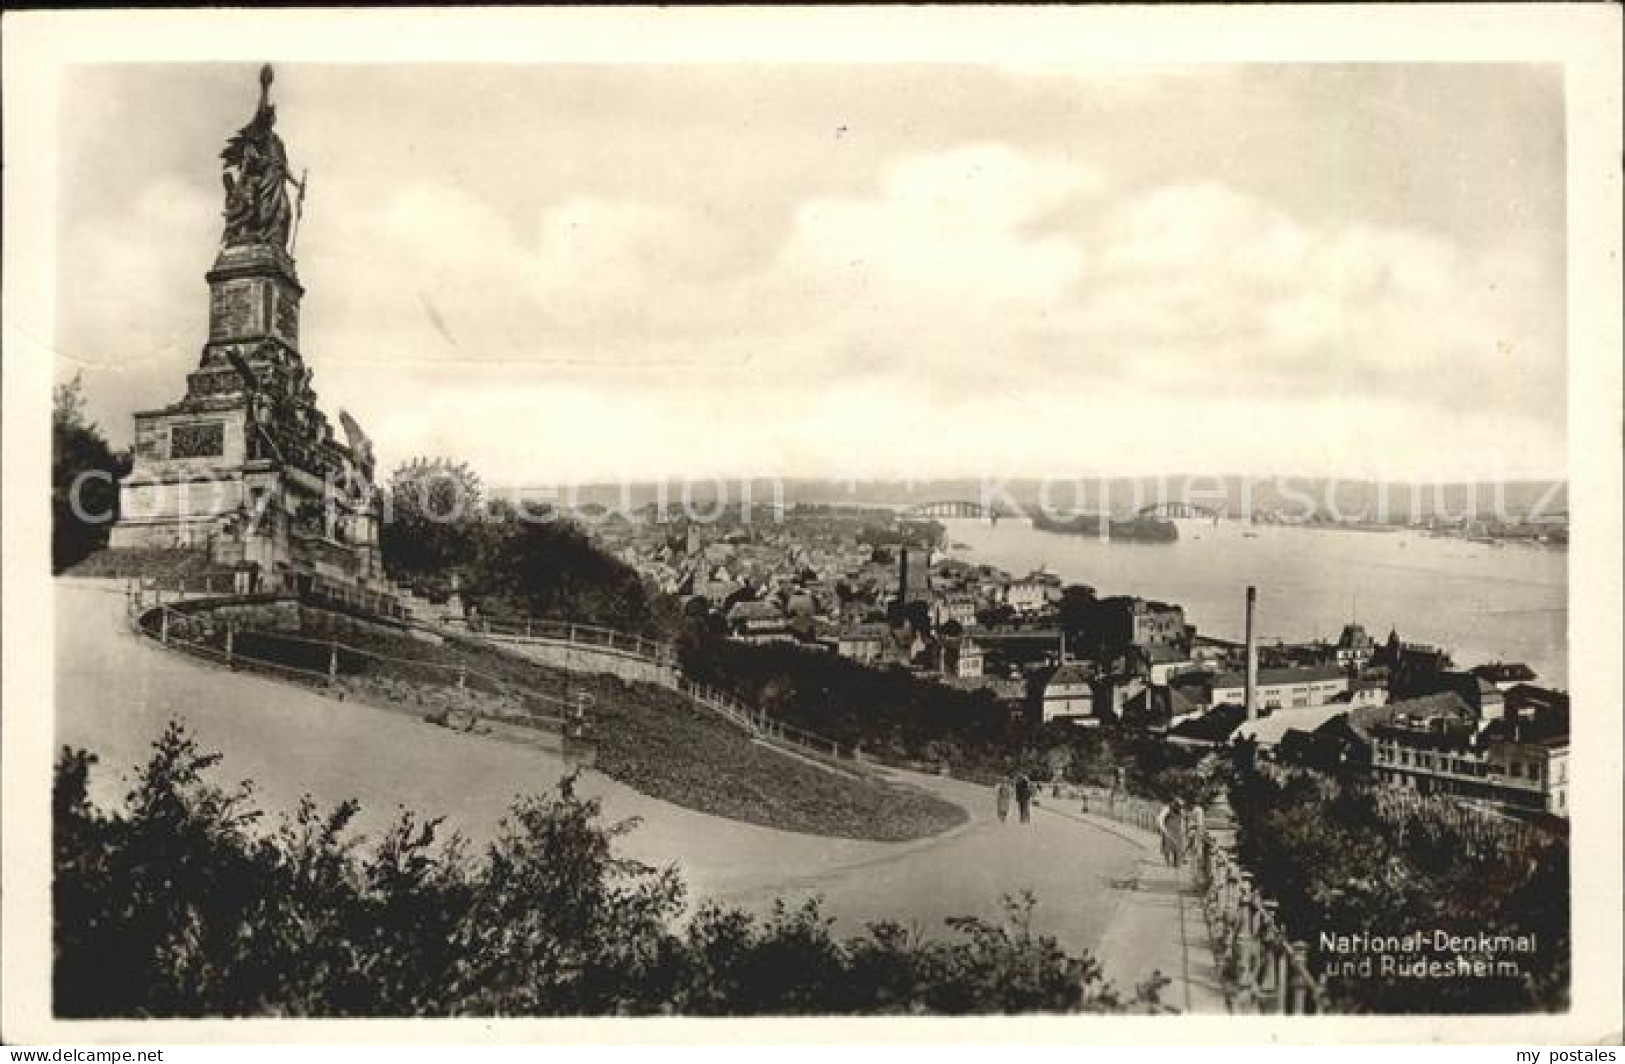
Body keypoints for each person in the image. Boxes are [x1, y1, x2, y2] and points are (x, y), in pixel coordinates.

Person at [1157, 797, 1187, 868]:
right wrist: (1163, 829)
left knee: (1178, 847)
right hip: (1168, 830)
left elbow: (1182, 820)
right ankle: (1167, 863)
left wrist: (1183, 830)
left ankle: (1177, 864)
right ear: (1175, 804)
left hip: (1177, 831)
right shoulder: (1167, 809)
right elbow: (1160, 819)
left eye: (1181, 807)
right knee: (1167, 847)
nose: (1180, 808)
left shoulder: (1181, 811)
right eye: (1179, 806)